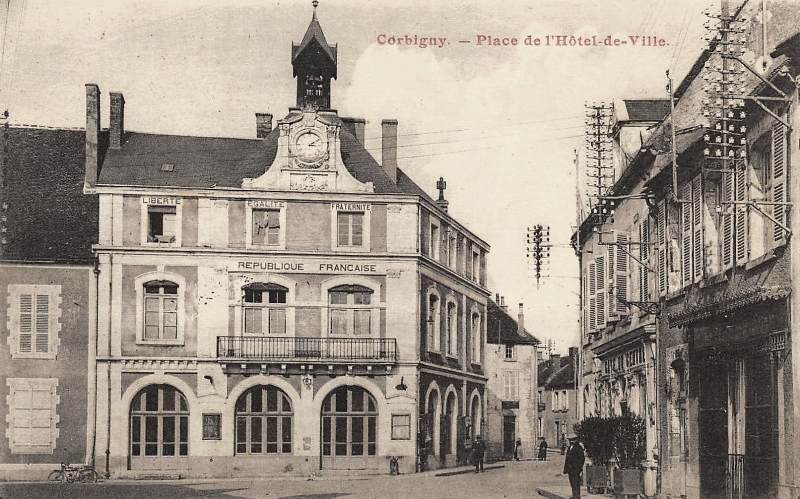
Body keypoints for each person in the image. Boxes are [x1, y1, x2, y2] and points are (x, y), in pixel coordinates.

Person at [563, 435, 586, 499]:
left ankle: (577, 496)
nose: (571, 441)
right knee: (572, 483)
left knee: (576, 483)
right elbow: (567, 459)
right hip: (570, 469)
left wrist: (579, 467)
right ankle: (574, 495)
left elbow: (582, 458)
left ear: (576, 440)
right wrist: (566, 468)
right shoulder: (569, 447)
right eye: (570, 440)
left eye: (572, 440)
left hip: (576, 469)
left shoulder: (578, 447)